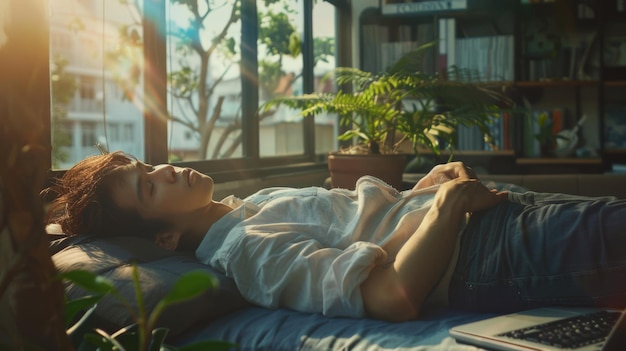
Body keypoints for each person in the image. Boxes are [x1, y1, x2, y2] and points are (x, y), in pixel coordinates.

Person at [43, 151, 626, 322]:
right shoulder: (248, 252)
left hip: (495, 214)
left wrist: (425, 190)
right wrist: (445, 208)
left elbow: (364, 228)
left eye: (148, 166)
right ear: (165, 240)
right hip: (487, 254)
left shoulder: (249, 207)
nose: (164, 170)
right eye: (149, 188)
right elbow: (390, 296)